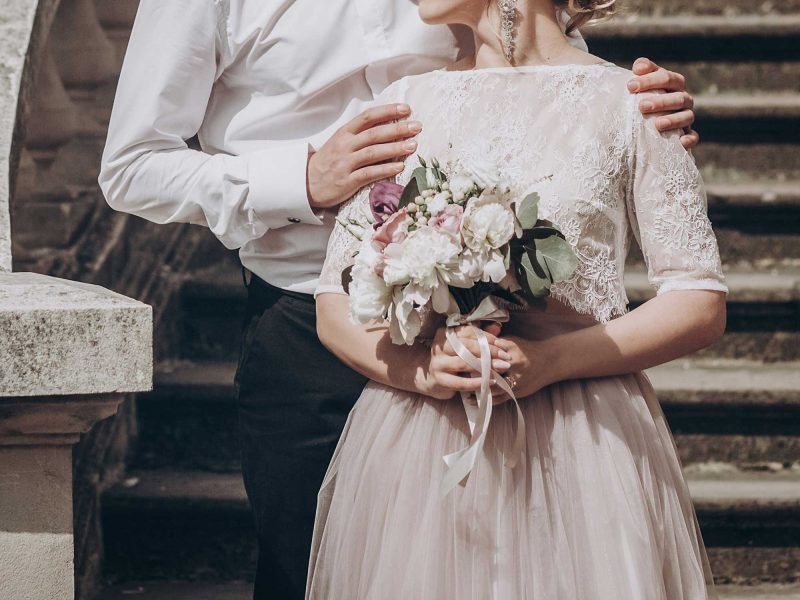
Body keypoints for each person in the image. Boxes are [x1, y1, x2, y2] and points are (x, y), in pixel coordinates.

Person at [98, 1, 701, 597]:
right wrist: (300, 181)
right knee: (312, 574)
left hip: (514, 334)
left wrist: (635, 105)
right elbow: (130, 166)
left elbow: (529, 56)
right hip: (312, 322)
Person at [308, 0, 728, 598]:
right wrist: (421, 370)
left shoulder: (630, 103)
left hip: (582, 438)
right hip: (425, 446)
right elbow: (334, 299)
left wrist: (553, 362)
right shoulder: (404, 103)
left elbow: (698, 298)